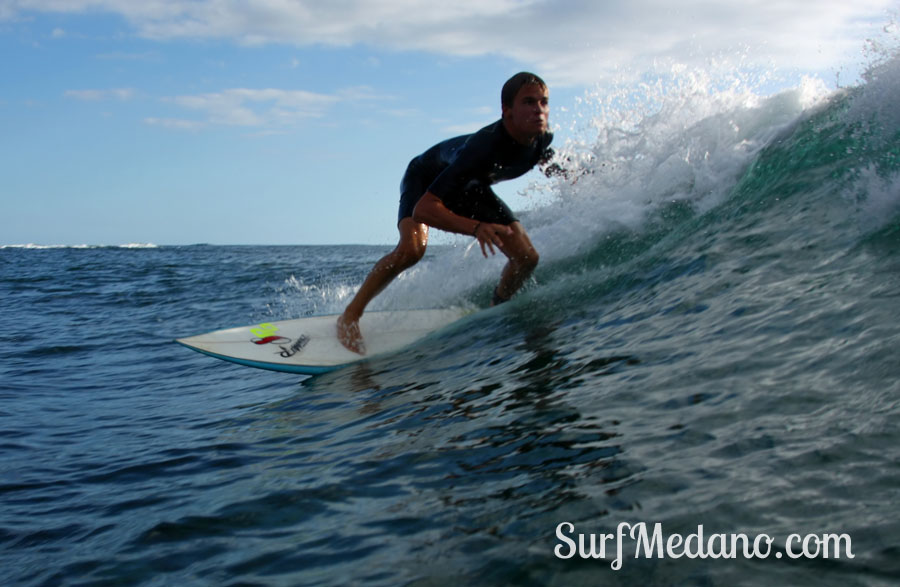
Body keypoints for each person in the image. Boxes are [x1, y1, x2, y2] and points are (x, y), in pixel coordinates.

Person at [337, 72, 561, 354]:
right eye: (528, 102)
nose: (539, 110)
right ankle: (350, 316)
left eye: (543, 102)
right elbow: (424, 209)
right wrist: (476, 228)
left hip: (473, 188)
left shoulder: (542, 138)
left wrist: (569, 174)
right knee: (412, 250)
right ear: (507, 111)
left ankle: (498, 306)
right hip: (427, 179)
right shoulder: (483, 147)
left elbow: (541, 156)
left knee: (527, 257)